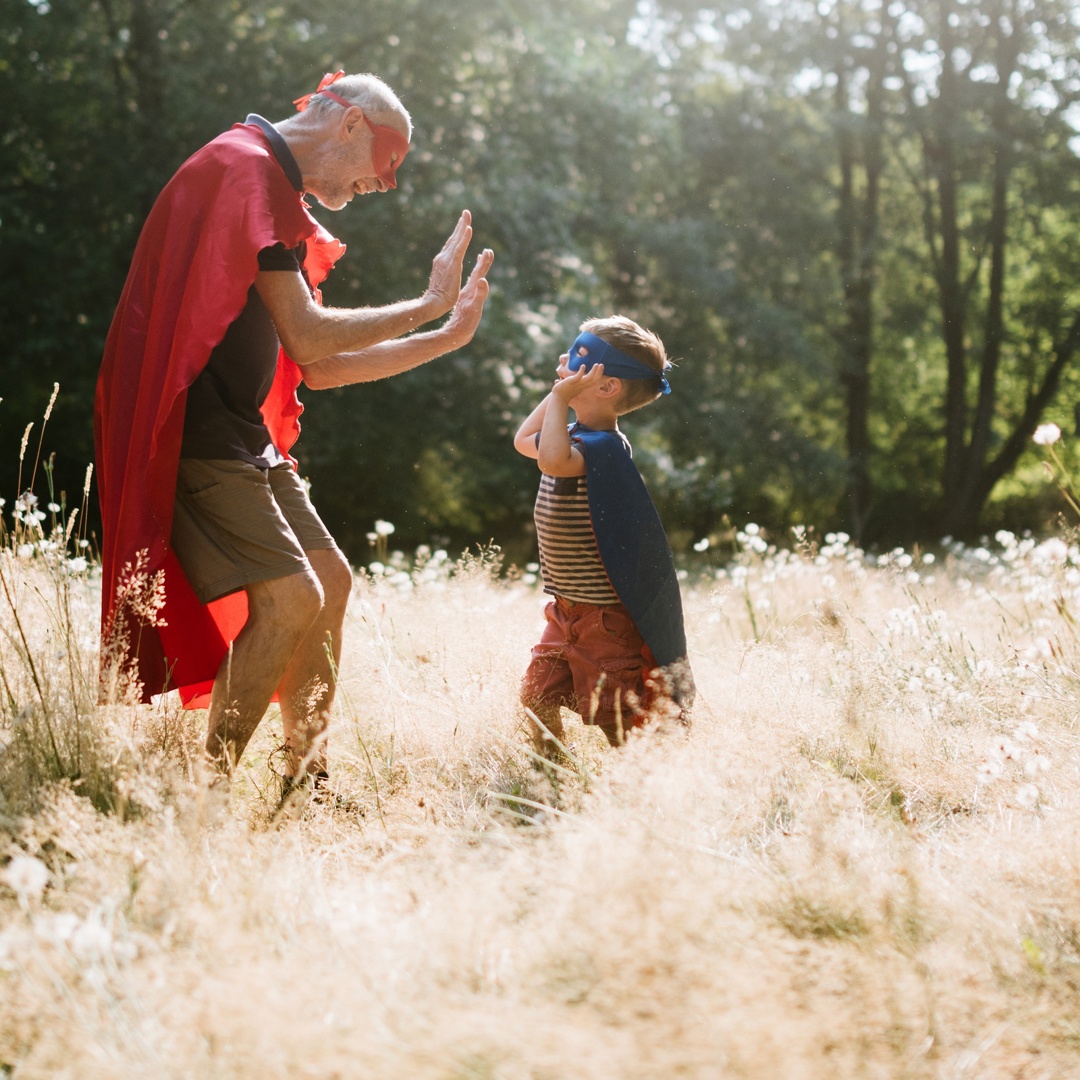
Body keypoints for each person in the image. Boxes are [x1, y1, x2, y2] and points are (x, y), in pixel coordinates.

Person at [94, 70, 494, 790]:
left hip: (242, 435)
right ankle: (203, 800)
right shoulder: (241, 171)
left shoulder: (267, 187)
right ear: (350, 126)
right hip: (194, 432)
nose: (384, 186)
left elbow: (322, 369)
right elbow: (312, 341)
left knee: (330, 583)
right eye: (386, 163)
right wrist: (429, 301)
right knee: (291, 597)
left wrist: (446, 335)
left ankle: (306, 781)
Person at [513, 316, 694, 752]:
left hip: (603, 621)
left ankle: (639, 786)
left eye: (579, 359)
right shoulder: (573, 433)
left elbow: (552, 460)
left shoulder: (605, 448)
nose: (564, 361)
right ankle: (550, 775)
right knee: (536, 697)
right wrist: (561, 394)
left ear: (608, 386)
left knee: (619, 718)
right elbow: (526, 440)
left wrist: (561, 398)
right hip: (565, 612)